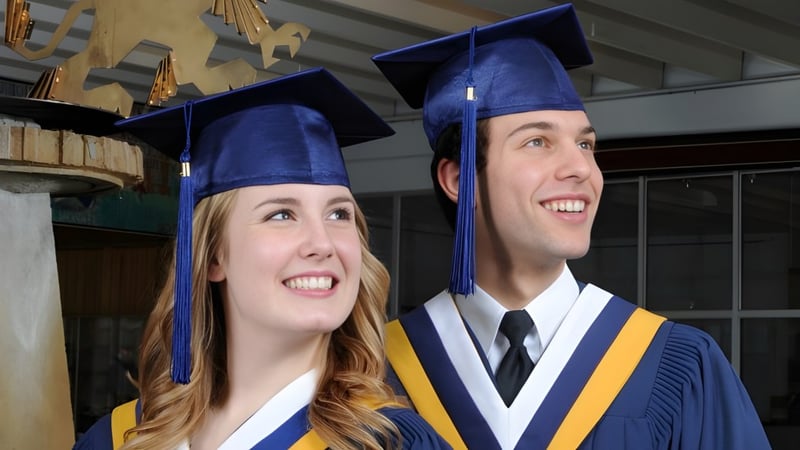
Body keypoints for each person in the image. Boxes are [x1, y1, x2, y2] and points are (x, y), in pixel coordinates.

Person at [372, 4, 770, 449]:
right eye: (538, 141)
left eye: (585, 143)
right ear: (459, 179)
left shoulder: (676, 364)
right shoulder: (372, 371)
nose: (581, 167)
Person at [73, 67, 451, 450]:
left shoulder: (392, 442)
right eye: (281, 215)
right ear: (213, 256)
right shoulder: (116, 438)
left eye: (339, 214)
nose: (322, 243)